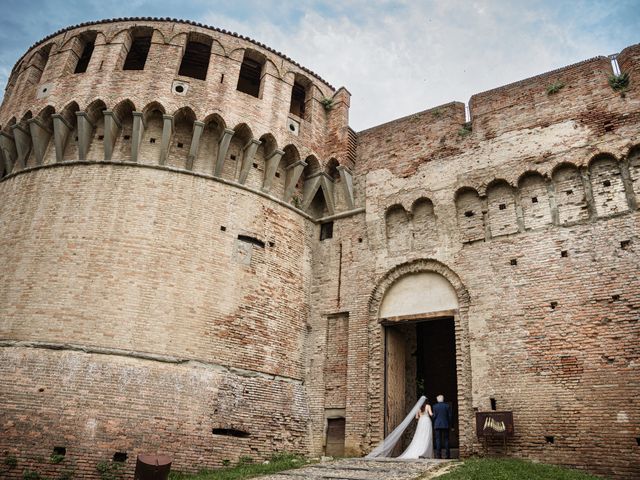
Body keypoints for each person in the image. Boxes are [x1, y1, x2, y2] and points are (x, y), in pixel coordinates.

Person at [432, 394, 452, 459]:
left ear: (437, 400)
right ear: (443, 399)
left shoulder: (435, 406)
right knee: (446, 440)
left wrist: (432, 420)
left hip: (437, 425)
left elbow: (434, 416)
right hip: (445, 425)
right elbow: (450, 416)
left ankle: (438, 455)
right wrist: (450, 424)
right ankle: (447, 455)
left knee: (438, 440)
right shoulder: (447, 406)